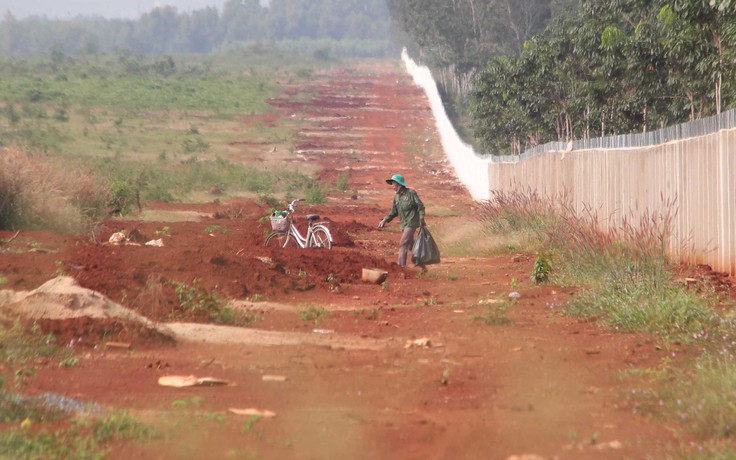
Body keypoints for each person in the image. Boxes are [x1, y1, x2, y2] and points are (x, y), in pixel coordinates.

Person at [378, 173, 427, 271]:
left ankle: (401, 268)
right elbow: (393, 212)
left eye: (393, 184)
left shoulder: (411, 193)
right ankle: (422, 266)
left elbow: (420, 206)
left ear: (399, 184)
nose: (392, 186)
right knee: (410, 246)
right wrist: (384, 220)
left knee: (403, 243)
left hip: (412, 222)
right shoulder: (396, 197)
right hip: (404, 224)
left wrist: (421, 219)